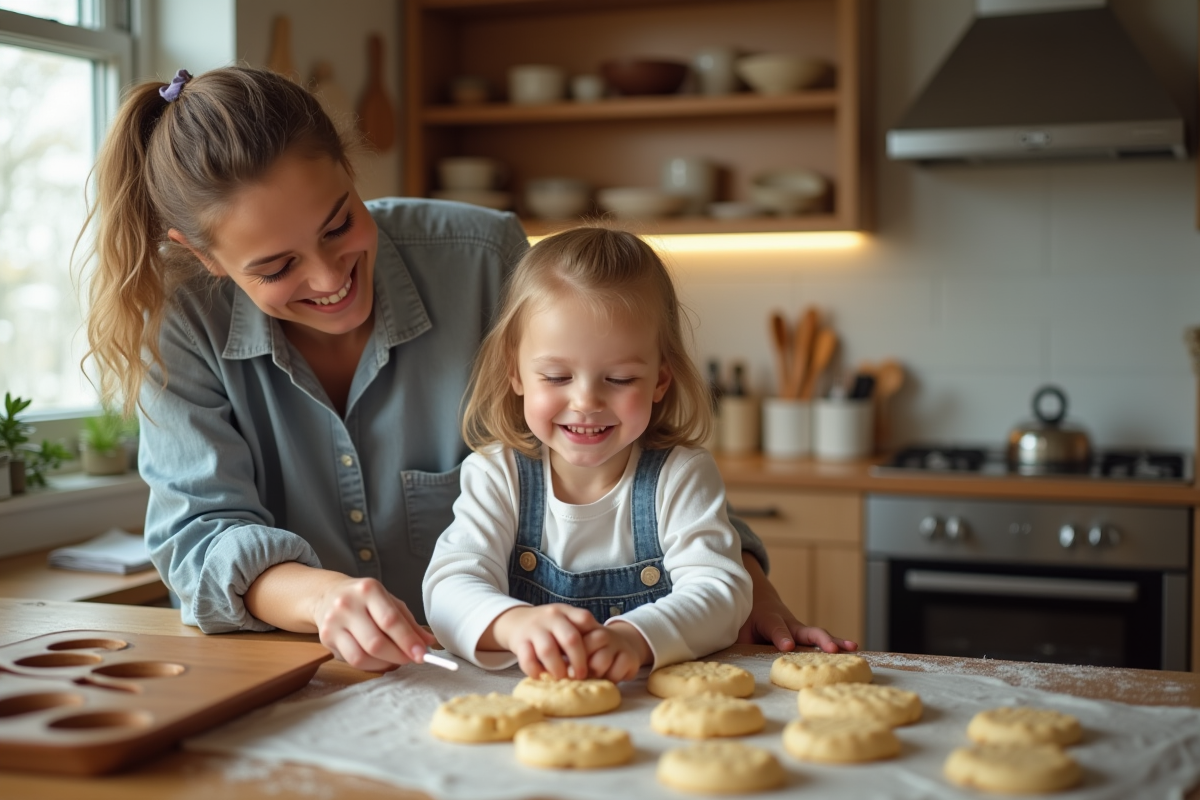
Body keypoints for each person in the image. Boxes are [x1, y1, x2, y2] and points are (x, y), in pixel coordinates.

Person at [79, 65, 856, 673]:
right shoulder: (181, 328)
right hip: (313, 674)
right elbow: (199, 537)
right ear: (202, 255)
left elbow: (617, 453)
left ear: (352, 171)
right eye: (277, 265)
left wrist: (737, 573)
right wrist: (322, 599)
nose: (328, 278)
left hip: (515, 675)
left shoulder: (482, 258)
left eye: (340, 222)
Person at [423, 227, 752, 682]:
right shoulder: (496, 475)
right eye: (557, 377)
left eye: (618, 379)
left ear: (659, 380)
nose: (586, 402)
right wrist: (514, 624)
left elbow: (721, 593)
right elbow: (448, 588)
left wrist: (634, 638)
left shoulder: (680, 476)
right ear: (514, 371)